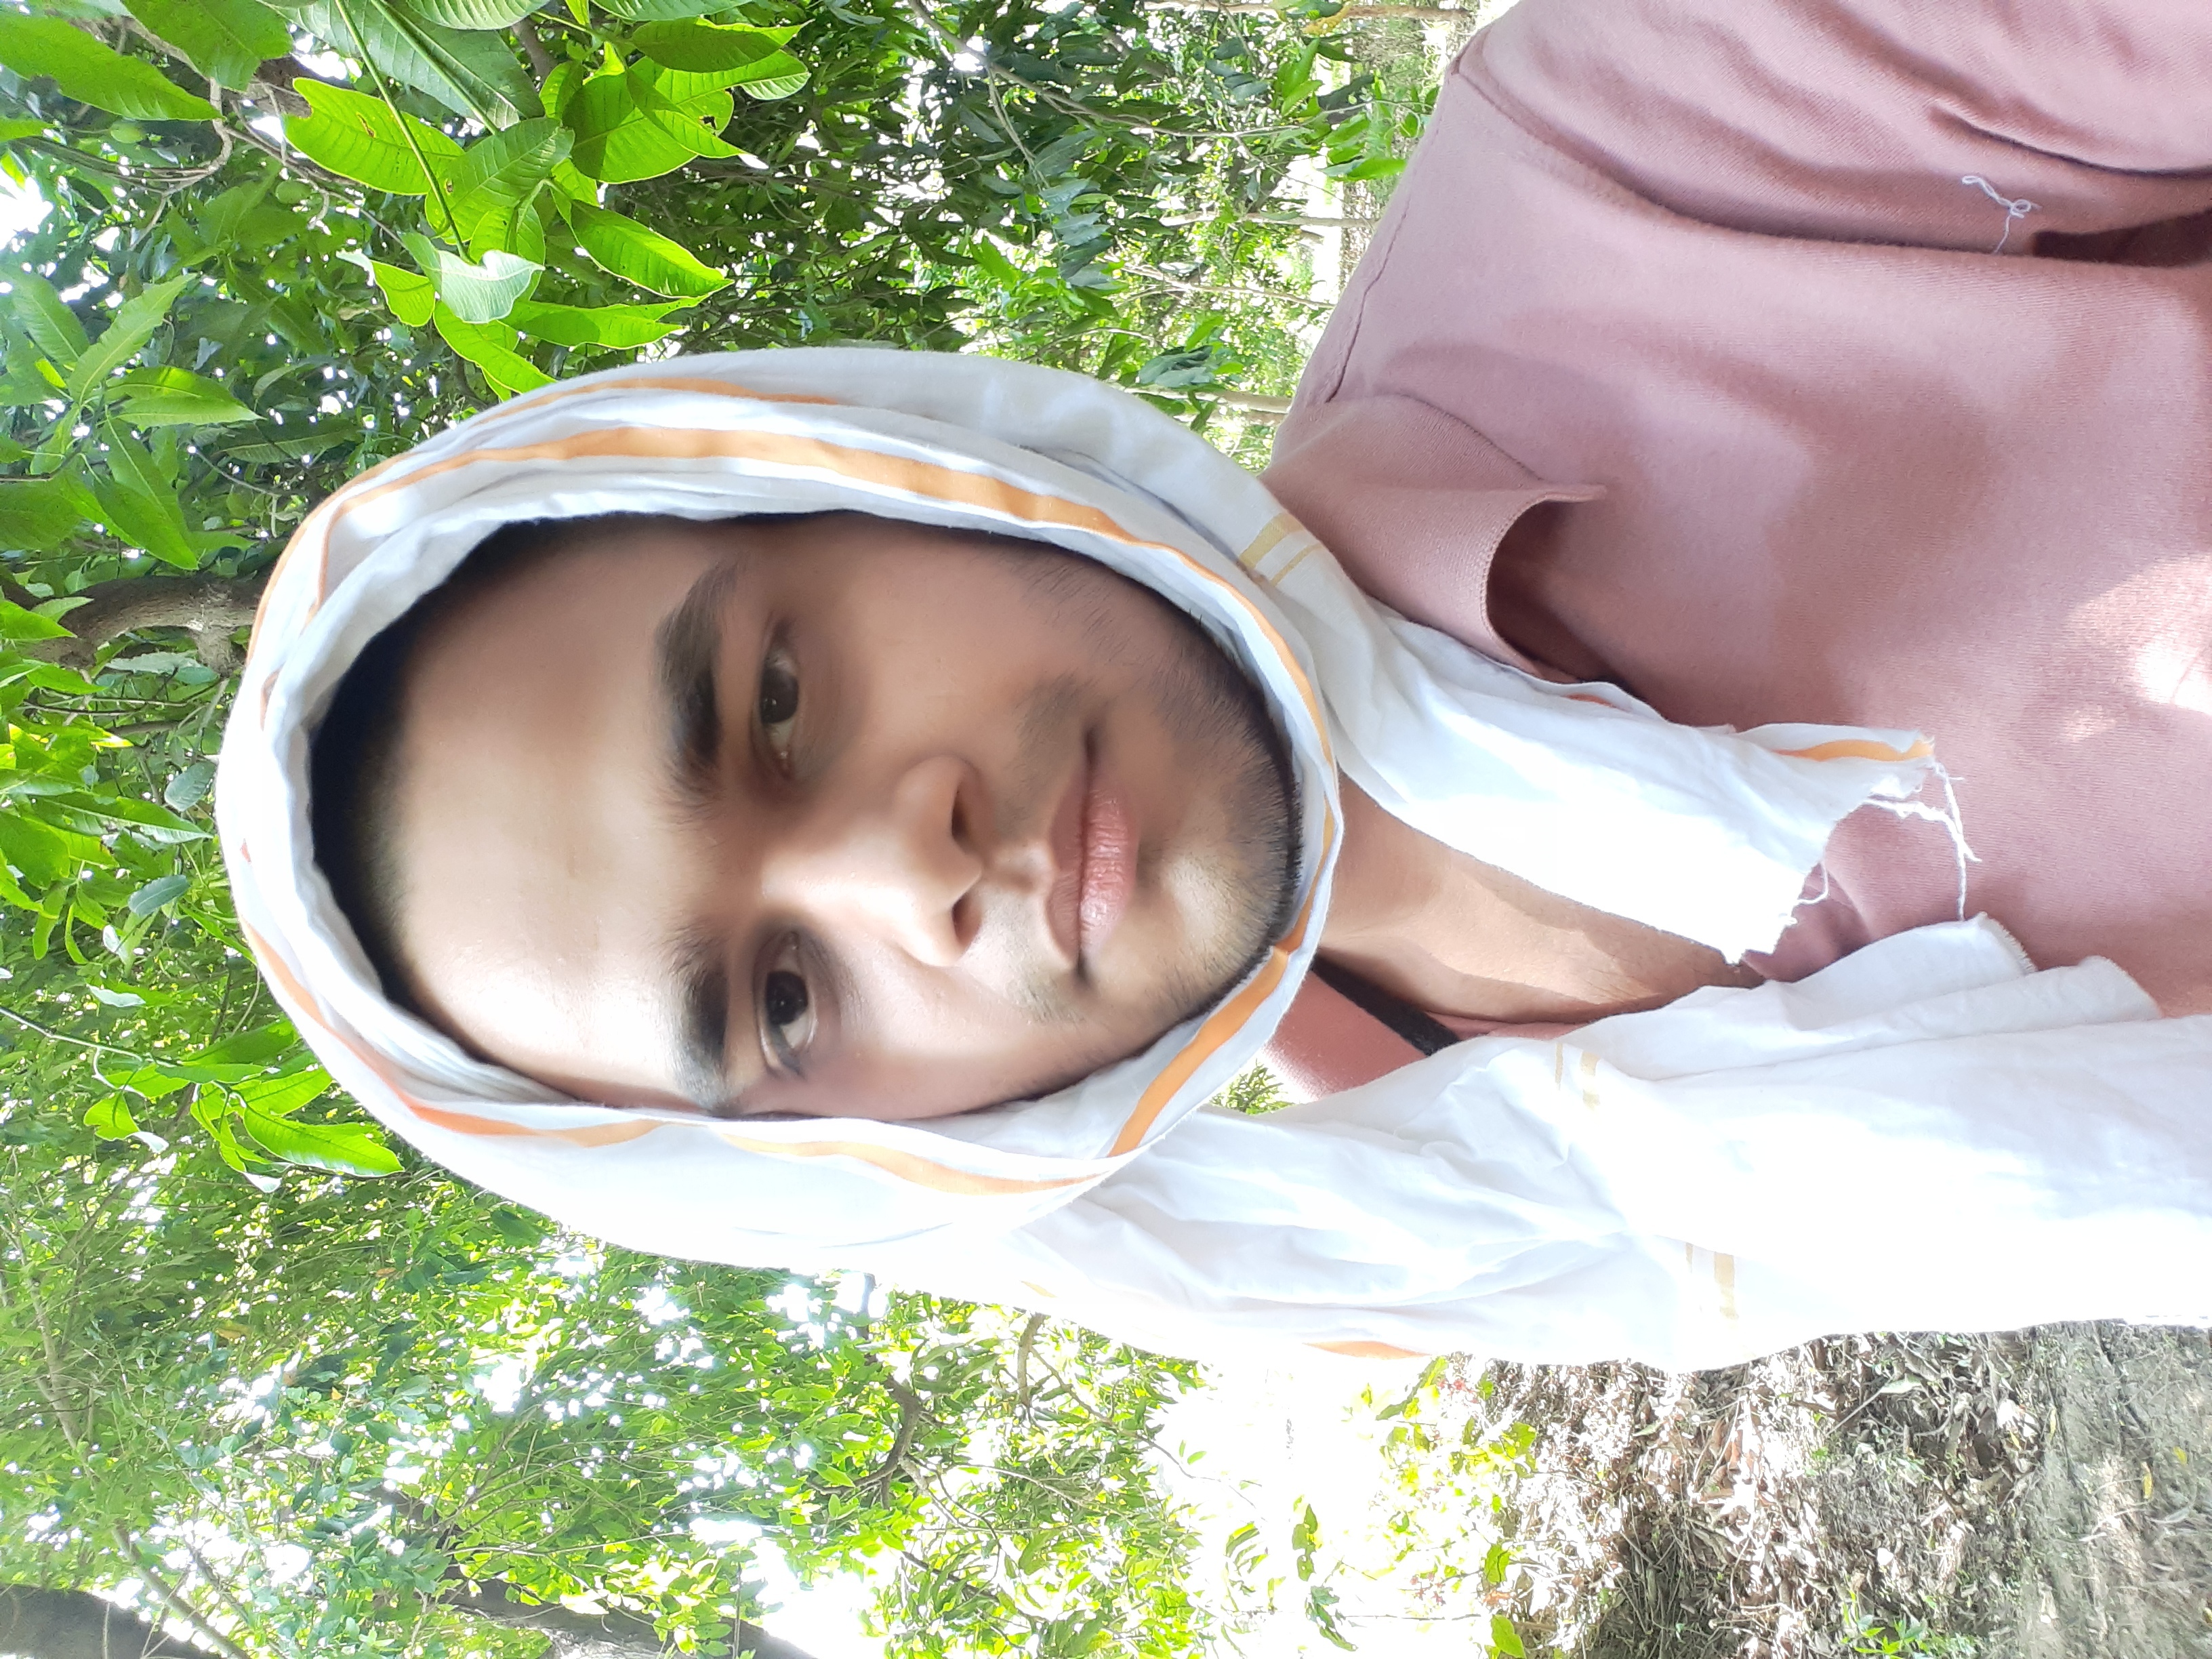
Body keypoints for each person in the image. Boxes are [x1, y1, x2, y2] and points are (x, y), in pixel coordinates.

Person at [217, 0, 2212, 1370]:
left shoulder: (1641, 156)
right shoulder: (1557, 1175)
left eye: (779, 704)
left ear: (897, 486)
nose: (910, 870)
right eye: (785, 1000)